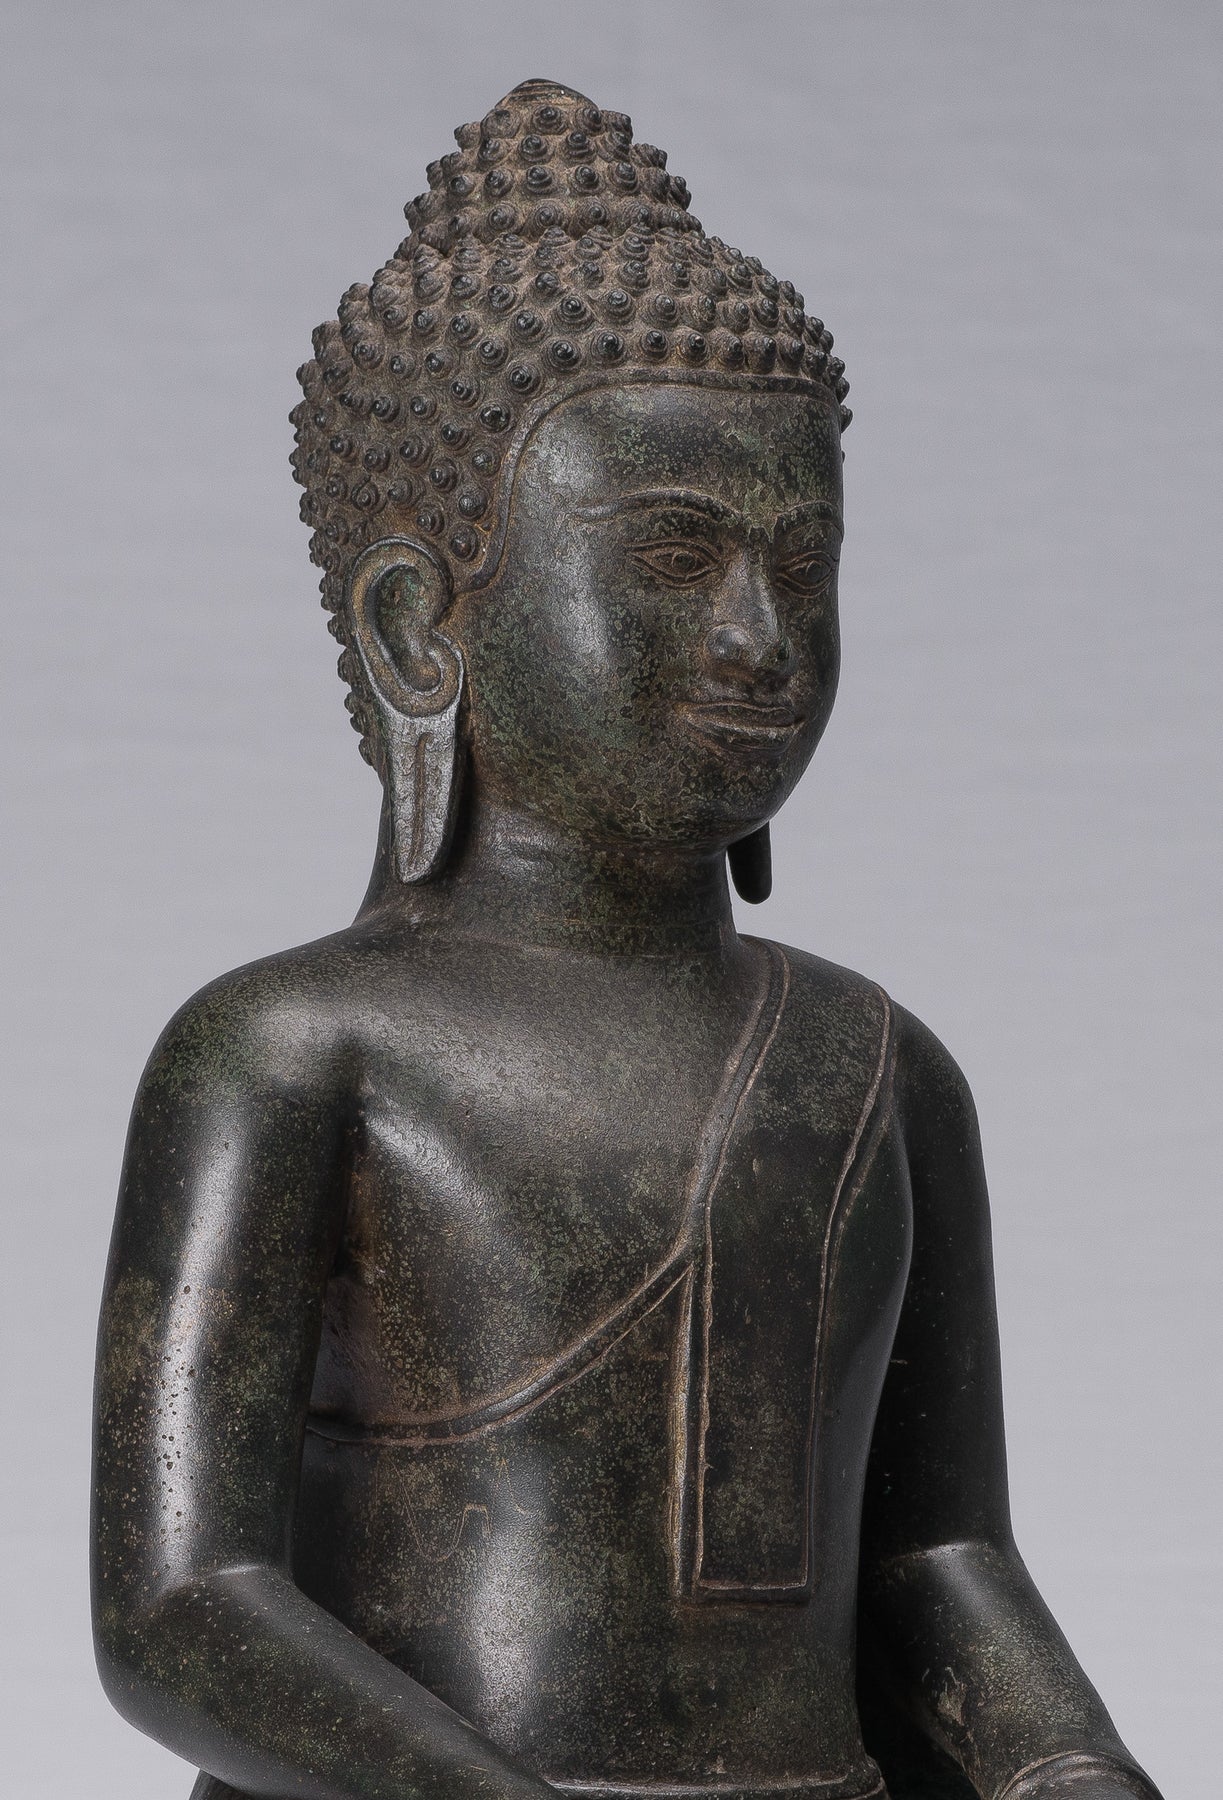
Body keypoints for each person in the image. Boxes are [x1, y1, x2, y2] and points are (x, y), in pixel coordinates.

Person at [92, 79, 1162, 1800]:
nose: (760, 635)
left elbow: (935, 1556)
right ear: (418, 628)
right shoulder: (289, 1055)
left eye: (802, 563)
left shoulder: (879, 1072)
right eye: (674, 554)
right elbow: (184, 1604)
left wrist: (1063, 1764)